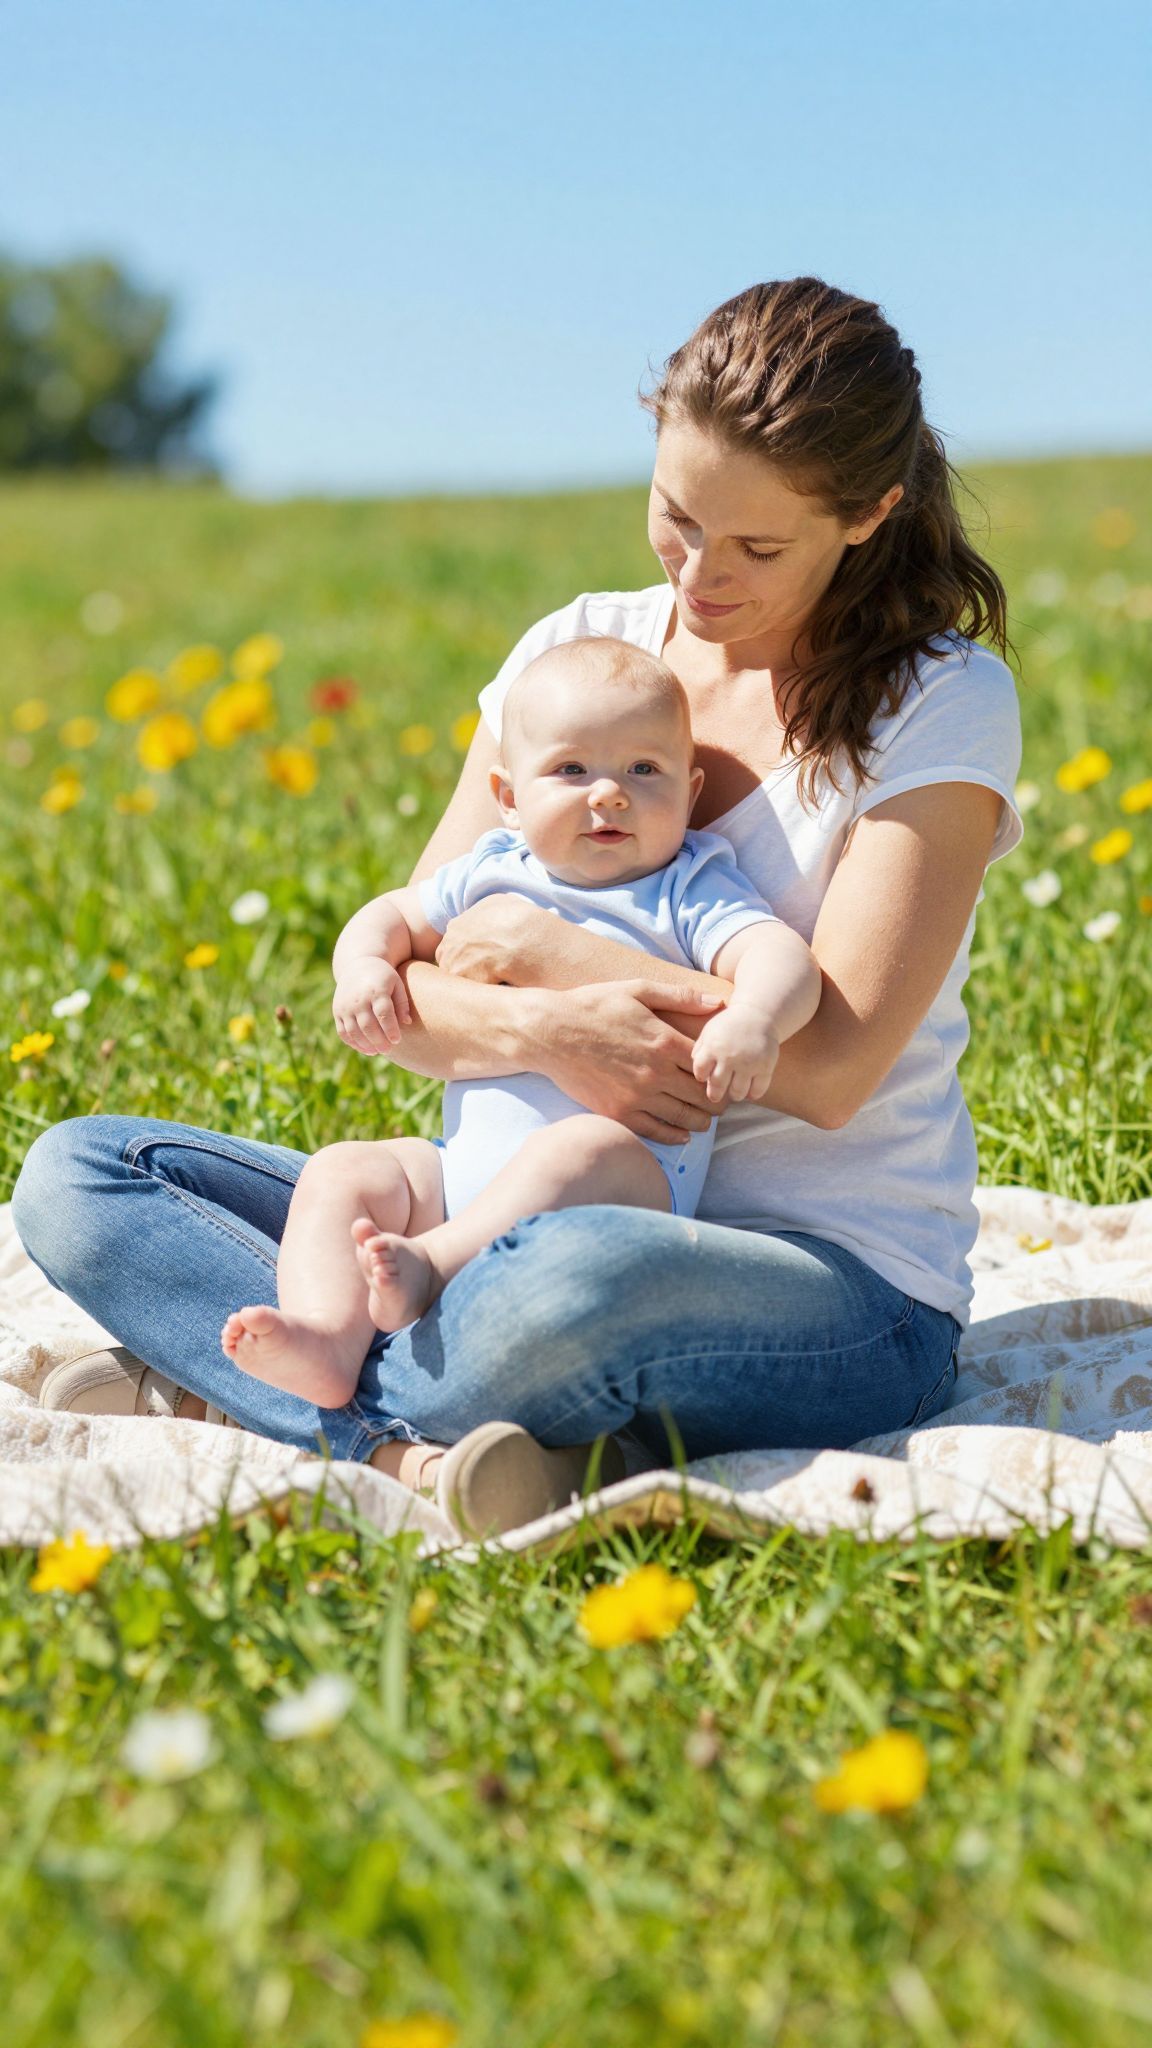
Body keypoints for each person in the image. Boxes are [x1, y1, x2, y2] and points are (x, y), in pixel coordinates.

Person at [13, 276, 1022, 1538]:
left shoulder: (937, 701)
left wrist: (546, 957)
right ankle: (402, 1440)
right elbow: (416, 979)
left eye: (758, 548)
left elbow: (828, 1069)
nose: (701, 575)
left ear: (870, 512)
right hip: (487, 1213)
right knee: (79, 1176)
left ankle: (252, 1397)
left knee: (561, 1284)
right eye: (676, 516)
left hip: (823, 1280)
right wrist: (557, 1034)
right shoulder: (581, 653)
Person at [220, 638, 820, 1405]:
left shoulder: (686, 883)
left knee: (577, 1145)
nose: (608, 795)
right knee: (343, 1169)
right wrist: (363, 967)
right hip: (459, 1173)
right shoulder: (492, 867)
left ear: (690, 788)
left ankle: (430, 1272)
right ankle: (327, 1337)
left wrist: (756, 1019)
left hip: (623, 1176)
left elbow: (779, 956)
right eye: (572, 770)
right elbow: (391, 916)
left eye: (644, 770)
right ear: (507, 795)